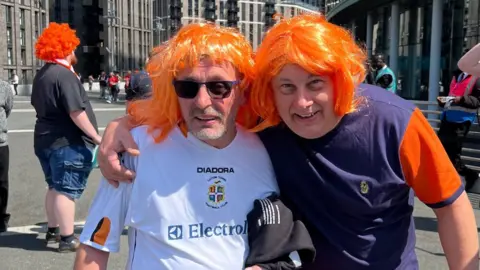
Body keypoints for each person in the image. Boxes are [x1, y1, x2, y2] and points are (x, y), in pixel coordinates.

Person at [97, 14, 479, 270]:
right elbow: (192, 107)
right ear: (270, 92)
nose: (302, 102)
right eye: (287, 86)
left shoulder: (395, 122)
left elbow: (449, 204)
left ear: (342, 81)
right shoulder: (268, 118)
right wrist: (122, 125)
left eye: (316, 84)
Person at [74, 23, 285, 270]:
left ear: (243, 90)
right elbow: (95, 248)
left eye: (219, 87)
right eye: (188, 88)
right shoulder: (135, 148)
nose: (202, 101)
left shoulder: (268, 150)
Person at [31, 22, 101, 252]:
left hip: (45, 139)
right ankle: (67, 237)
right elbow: (76, 112)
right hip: (67, 141)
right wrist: (96, 137)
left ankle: (52, 230)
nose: (74, 53)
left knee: (54, 187)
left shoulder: (43, 74)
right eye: (72, 48)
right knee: (65, 191)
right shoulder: (65, 76)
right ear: (65, 49)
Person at [437, 57, 480, 191]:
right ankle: (454, 181)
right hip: (448, 117)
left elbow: (477, 101)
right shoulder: (457, 75)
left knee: (452, 154)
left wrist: (460, 100)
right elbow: (452, 94)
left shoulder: (476, 77)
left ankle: (469, 176)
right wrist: (444, 100)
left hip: (462, 120)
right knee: (440, 151)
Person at [0, 79, 13, 233]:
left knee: (2, 182)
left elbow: (8, 109)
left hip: (1, 143)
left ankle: (1, 218)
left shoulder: (4, 87)